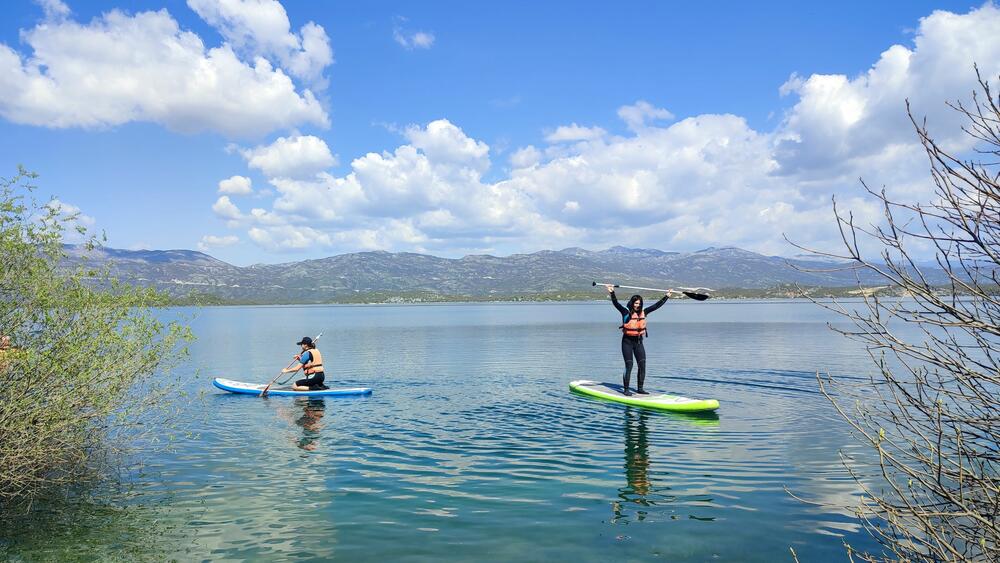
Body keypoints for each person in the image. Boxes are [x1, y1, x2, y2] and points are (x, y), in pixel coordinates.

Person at [605, 284, 670, 395]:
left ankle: (640, 389)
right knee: (629, 365)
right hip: (627, 342)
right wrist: (612, 292)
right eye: (636, 303)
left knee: (642, 365)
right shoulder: (625, 312)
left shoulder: (644, 312)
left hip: (639, 342)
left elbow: (656, 306)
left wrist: (667, 296)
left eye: (639, 304)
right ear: (632, 303)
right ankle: (626, 389)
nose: (637, 305)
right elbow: (616, 303)